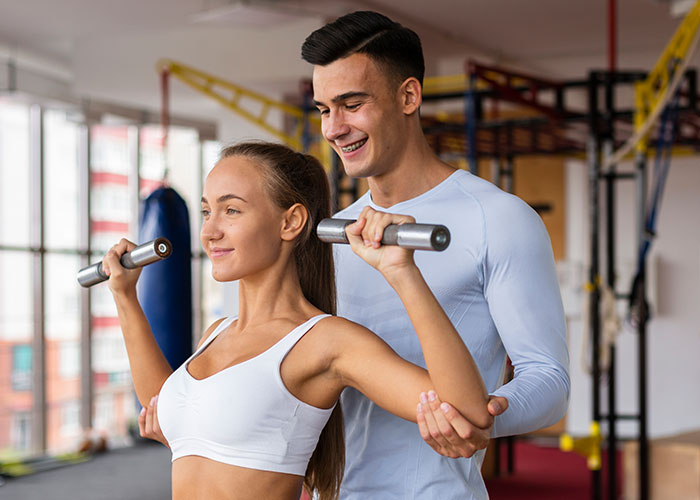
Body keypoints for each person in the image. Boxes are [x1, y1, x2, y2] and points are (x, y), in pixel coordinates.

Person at [104, 141, 491, 500]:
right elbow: (165, 411)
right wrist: (125, 297)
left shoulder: (325, 341)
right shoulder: (217, 333)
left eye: (231, 210)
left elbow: (466, 411)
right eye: (207, 211)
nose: (209, 230)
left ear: (291, 222)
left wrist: (402, 272)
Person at [300, 10, 570, 499]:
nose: (334, 128)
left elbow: (548, 381)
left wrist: (474, 416)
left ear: (409, 96)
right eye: (324, 109)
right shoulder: (338, 233)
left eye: (352, 104)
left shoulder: (498, 218)